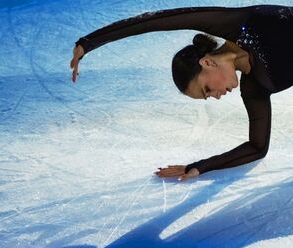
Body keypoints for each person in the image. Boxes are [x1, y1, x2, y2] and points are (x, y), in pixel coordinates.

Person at [70, 6, 293, 181]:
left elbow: (163, 20)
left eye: (206, 90)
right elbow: (257, 147)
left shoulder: (240, 24)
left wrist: (90, 42)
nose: (215, 96)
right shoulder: (255, 88)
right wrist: (198, 167)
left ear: (207, 62)